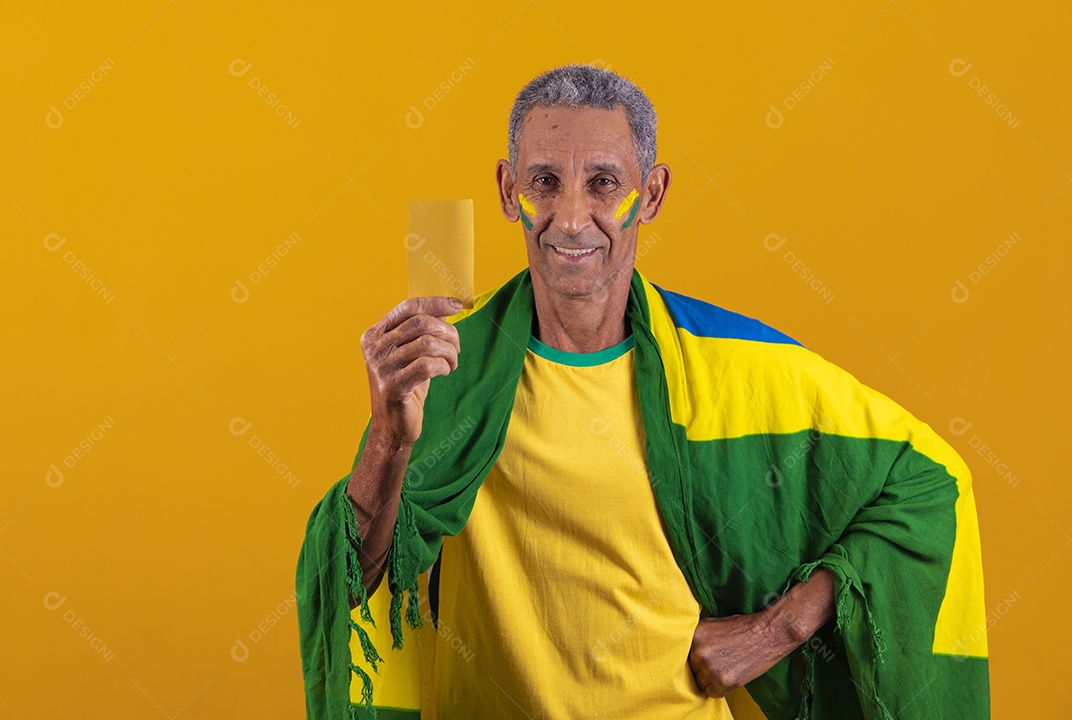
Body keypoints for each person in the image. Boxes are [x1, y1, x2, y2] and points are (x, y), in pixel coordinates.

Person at [296, 64, 990, 720]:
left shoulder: (726, 366)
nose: (571, 218)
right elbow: (353, 581)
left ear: (651, 195)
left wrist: (777, 629)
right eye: (544, 181)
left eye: (603, 183)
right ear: (508, 191)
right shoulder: (451, 367)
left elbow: (931, 480)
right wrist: (389, 438)